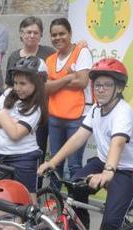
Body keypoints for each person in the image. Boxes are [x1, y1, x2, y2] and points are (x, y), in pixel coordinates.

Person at [38, 58, 133, 230]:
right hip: (104, 161)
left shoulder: (123, 112)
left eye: (106, 85)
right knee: (75, 185)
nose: (100, 90)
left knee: (111, 222)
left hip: (127, 169)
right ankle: (82, 224)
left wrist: (108, 172)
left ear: (118, 88)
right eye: (97, 85)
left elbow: (117, 142)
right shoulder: (96, 108)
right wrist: (53, 162)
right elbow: (79, 137)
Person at [44, 18, 92, 191]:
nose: (58, 37)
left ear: (70, 34)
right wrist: (69, 76)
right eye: (54, 35)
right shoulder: (50, 59)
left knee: (74, 165)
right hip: (55, 116)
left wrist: (56, 80)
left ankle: (75, 208)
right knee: (55, 163)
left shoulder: (81, 52)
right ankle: (54, 202)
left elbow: (82, 82)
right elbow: (46, 88)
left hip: (77, 117)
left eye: (62, 33)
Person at [0, 56, 46, 197]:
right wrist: (11, 122)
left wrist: (2, 114)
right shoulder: (9, 93)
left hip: (24, 158)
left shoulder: (35, 108)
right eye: (15, 83)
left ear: (37, 84)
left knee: (27, 198)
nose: (17, 88)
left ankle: (34, 219)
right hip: (1, 155)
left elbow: (15, 135)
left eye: (23, 84)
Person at [4, 16, 55, 158]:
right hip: (20, 111)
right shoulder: (14, 56)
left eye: (35, 33)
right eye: (28, 32)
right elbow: (9, 85)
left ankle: (36, 179)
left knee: (39, 149)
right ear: (21, 34)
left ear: (41, 35)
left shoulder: (49, 53)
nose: (31, 35)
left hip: (43, 109)